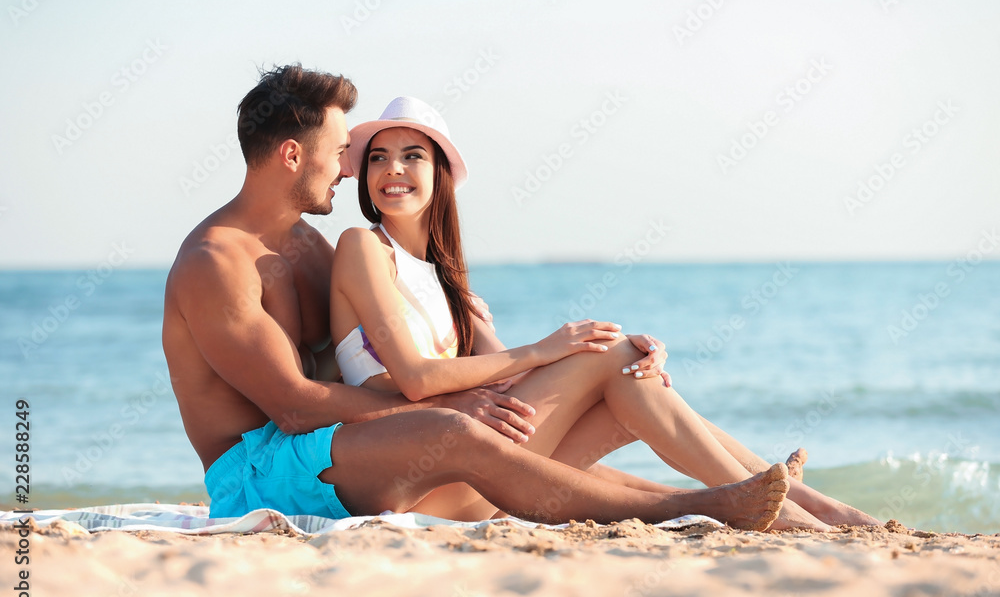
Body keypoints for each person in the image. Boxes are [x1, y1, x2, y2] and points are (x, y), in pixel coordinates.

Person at [162, 64, 791, 531]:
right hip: (259, 476)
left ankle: (797, 505)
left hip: (334, 451)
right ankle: (693, 509)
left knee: (596, 390)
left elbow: (367, 359)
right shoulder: (216, 262)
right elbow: (297, 408)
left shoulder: (306, 248)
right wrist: (453, 402)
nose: (349, 169)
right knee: (457, 432)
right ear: (292, 154)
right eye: (339, 153)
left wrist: (512, 361)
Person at [331, 96, 881, 531]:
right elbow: (416, 377)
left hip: (480, 475)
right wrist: (550, 348)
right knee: (611, 360)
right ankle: (789, 511)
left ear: (440, 175)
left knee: (630, 372)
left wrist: (633, 359)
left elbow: (512, 375)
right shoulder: (362, 248)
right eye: (378, 157)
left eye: (412, 156)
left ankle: (806, 504)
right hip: (428, 479)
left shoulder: (447, 277)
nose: (392, 170)